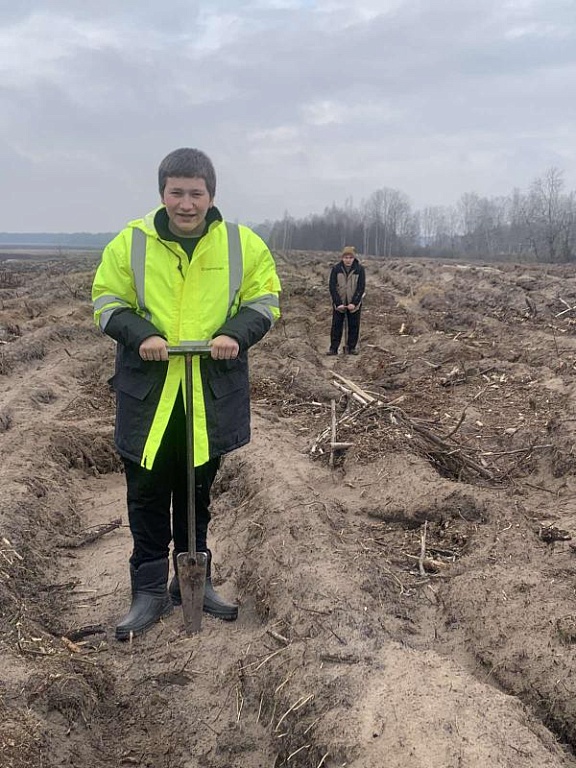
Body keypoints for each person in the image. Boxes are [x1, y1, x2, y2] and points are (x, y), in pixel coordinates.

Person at [92, 148, 281, 640]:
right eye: (176, 192)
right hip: (150, 394)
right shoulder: (131, 243)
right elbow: (107, 301)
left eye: (196, 193)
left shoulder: (241, 244)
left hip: (207, 395)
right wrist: (142, 335)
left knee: (197, 493)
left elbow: (264, 300)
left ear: (211, 195)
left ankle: (193, 579)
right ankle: (149, 589)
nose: (186, 203)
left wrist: (235, 332)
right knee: (147, 493)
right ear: (163, 194)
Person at [327, 246, 365, 355]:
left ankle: (351, 347)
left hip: (354, 304)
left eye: (350, 257)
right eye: (346, 257)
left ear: (354, 258)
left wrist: (354, 303)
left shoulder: (359, 269)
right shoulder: (336, 269)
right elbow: (332, 287)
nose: (348, 260)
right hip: (340, 303)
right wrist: (338, 302)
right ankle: (333, 348)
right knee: (336, 326)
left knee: (354, 325)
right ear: (342, 258)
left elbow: (361, 287)